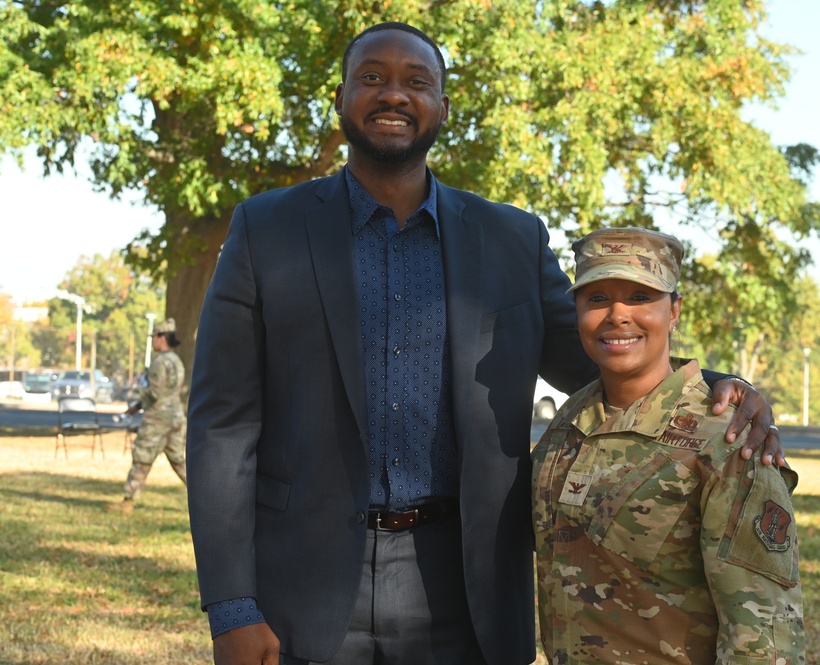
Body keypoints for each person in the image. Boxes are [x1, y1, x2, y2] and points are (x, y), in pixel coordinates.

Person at [186, 22, 783, 665]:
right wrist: (232, 608)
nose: (394, 95)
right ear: (339, 99)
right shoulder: (265, 229)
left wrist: (721, 387)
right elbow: (222, 426)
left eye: (417, 82)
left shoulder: (511, 239)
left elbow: (596, 350)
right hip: (302, 581)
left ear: (443, 106)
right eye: (372, 78)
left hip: (464, 584)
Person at [532, 227, 805, 665]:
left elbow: (763, 638)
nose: (617, 315)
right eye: (597, 298)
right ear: (576, 311)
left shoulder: (728, 441)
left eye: (640, 297)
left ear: (674, 311)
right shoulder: (566, 427)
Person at [107, 318, 187, 514]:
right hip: (176, 417)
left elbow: (155, 392)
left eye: (155, 337)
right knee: (180, 460)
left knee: (142, 458)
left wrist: (137, 395)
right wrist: (138, 406)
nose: (153, 342)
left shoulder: (160, 362)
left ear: (162, 338)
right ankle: (207, 496)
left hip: (157, 419)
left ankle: (127, 502)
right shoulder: (177, 361)